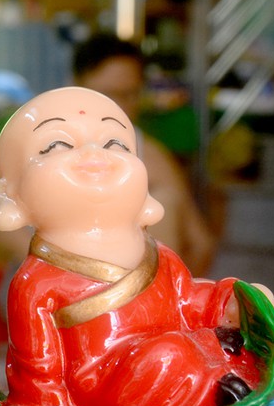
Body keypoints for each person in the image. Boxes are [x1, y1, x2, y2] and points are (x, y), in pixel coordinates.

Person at [0, 86, 272, 406]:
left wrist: (231, 303)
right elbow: (37, 364)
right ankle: (212, 390)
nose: (95, 156)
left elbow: (187, 300)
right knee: (170, 354)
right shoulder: (37, 283)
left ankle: (217, 389)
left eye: (115, 144)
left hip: (171, 357)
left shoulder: (159, 255)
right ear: (11, 194)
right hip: (104, 385)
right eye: (57, 145)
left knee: (215, 346)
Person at [73, 34, 217, 276]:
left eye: (128, 95)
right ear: (75, 86)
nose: (117, 107)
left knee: (165, 202)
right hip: (56, 283)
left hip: (132, 289)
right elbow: (8, 229)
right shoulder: (44, 144)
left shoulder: (149, 156)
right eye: (106, 95)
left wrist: (175, 293)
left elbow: (201, 243)